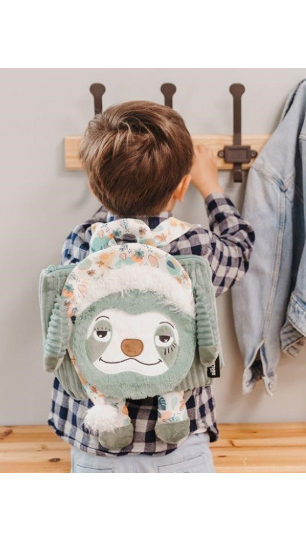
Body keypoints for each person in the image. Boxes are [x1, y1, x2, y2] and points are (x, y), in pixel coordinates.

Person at [48, 101, 254, 473]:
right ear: (182, 186)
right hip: (179, 444)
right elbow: (241, 248)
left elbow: (109, 219)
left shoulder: (80, 244)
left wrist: (116, 185)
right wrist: (210, 187)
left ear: (95, 188)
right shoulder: (198, 248)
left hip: (96, 444)